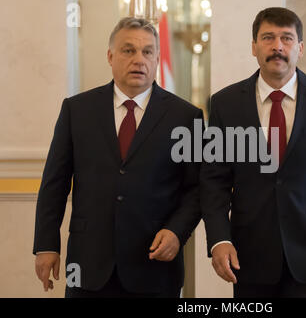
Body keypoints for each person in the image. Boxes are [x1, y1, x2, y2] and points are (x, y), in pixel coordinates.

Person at [201, 7, 306, 298]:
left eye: (287, 38)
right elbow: (214, 180)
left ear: (300, 48)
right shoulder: (225, 104)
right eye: (268, 37)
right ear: (254, 46)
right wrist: (219, 239)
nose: (277, 46)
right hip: (250, 256)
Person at [33, 17, 203, 298]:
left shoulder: (185, 116)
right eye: (128, 50)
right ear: (110, 56)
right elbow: (54, 182)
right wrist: (46, 245)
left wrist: (176, 232)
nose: (139, 59)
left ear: (157, 58)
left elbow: (197, 188)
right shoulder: (77, 110)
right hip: (88, 266)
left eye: (147, 52)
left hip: (155, 267)